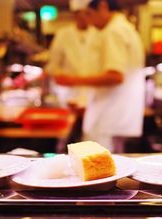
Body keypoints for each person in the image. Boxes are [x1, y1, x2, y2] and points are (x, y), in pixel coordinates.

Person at [55, 0, 146, 153]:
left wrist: (71, 80)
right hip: (113, 114)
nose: (88, 22)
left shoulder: (114, 31)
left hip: (109, 116)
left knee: (100, 169)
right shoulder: (121, 28)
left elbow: (115, 76)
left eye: (89, 15)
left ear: (103, 6)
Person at [45, 0, 99, 108]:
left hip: (94, 93)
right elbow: (53, 65)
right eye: (84, 13)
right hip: (69, 94)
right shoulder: (63, 35)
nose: (87, 17)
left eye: (89, 13)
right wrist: (61, 78)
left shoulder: (98, 33)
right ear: (75, 14)